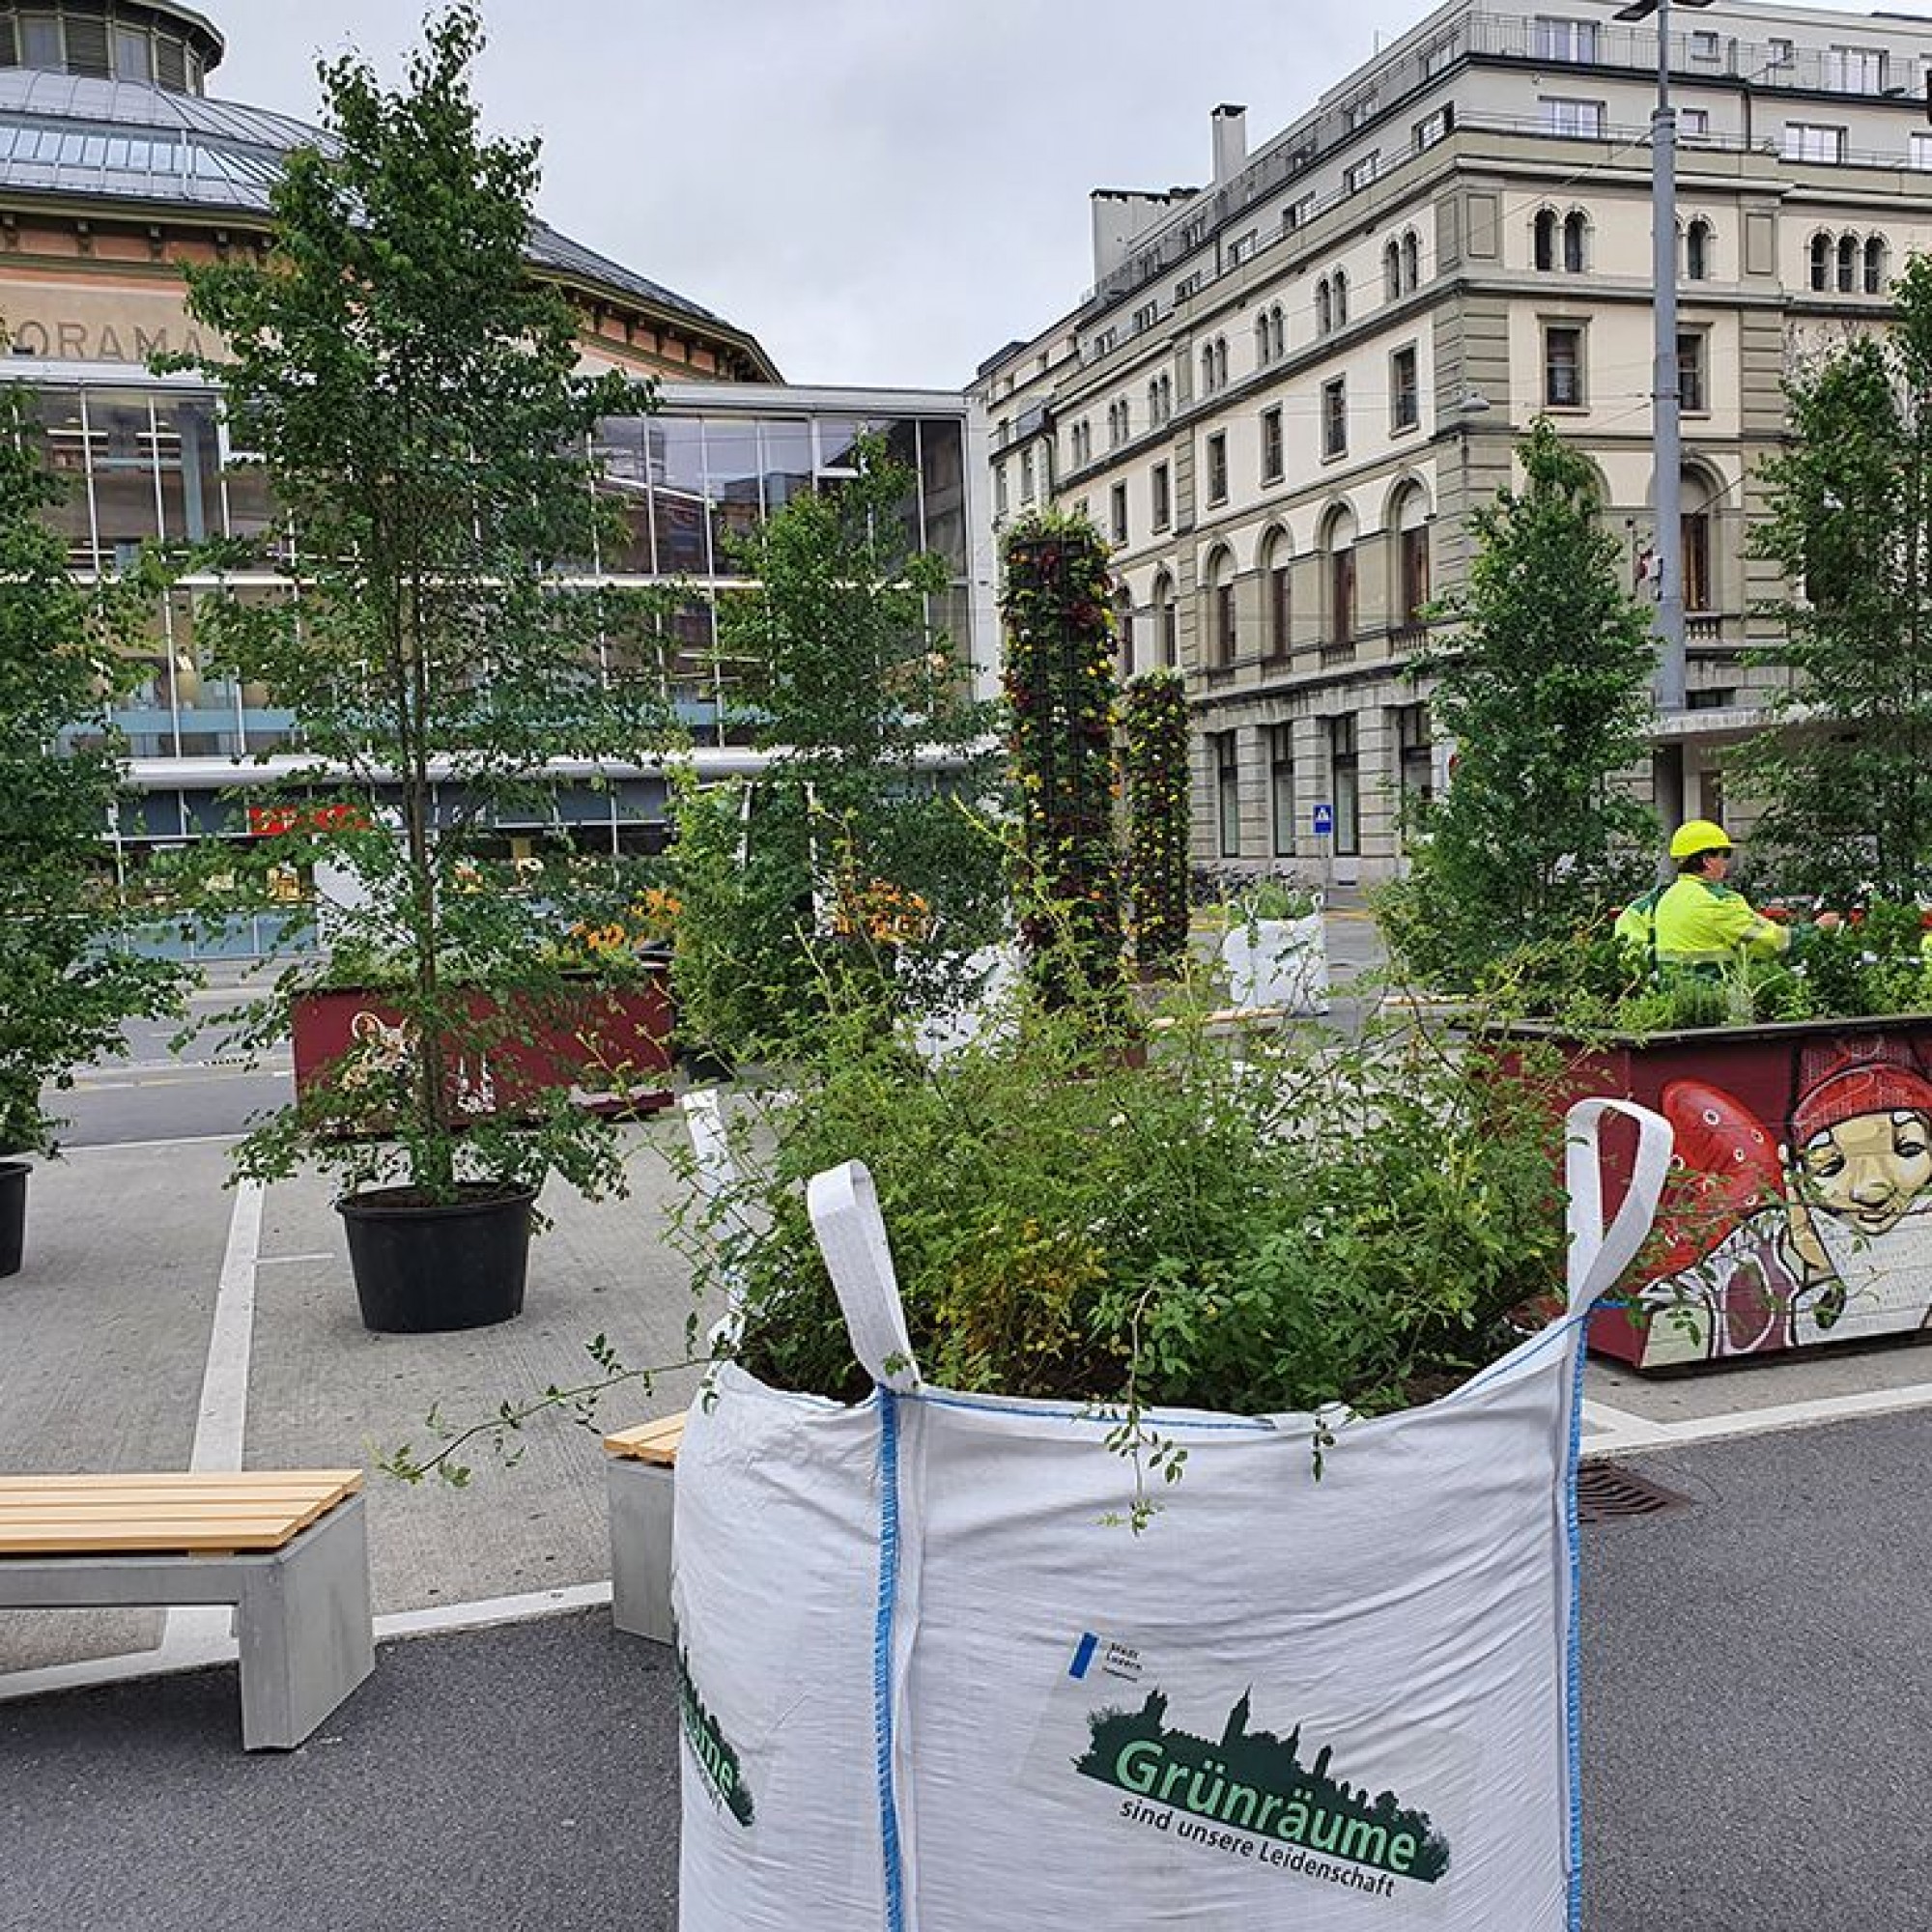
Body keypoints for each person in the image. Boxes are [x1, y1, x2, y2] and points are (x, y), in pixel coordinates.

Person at [1639, 819, 1839, 976]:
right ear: (1707, 860)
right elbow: (1770, 942)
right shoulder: (1716, 902)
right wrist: (1816, 929)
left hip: (1676, 1005)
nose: (1726, 862)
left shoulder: (1668, 899)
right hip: (1718, 1003)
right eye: (1724, 854)